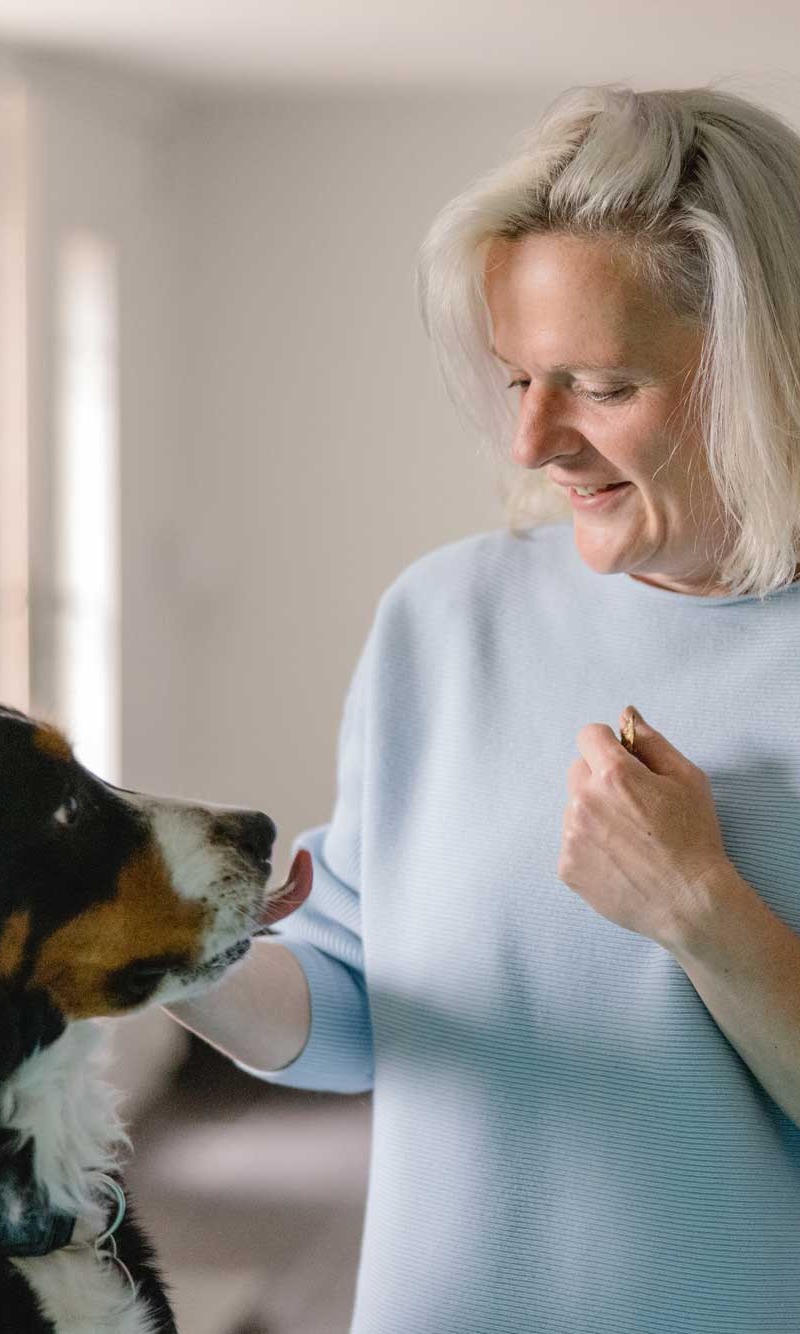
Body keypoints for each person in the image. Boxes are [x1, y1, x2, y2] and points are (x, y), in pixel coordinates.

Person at [166, 82, 800, 1333]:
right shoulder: (441, 619)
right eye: (516, 378)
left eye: (601, 385)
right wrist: (171, 958)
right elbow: (359, 1002)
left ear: (769, 365)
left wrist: (699, 910)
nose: (532, 443)